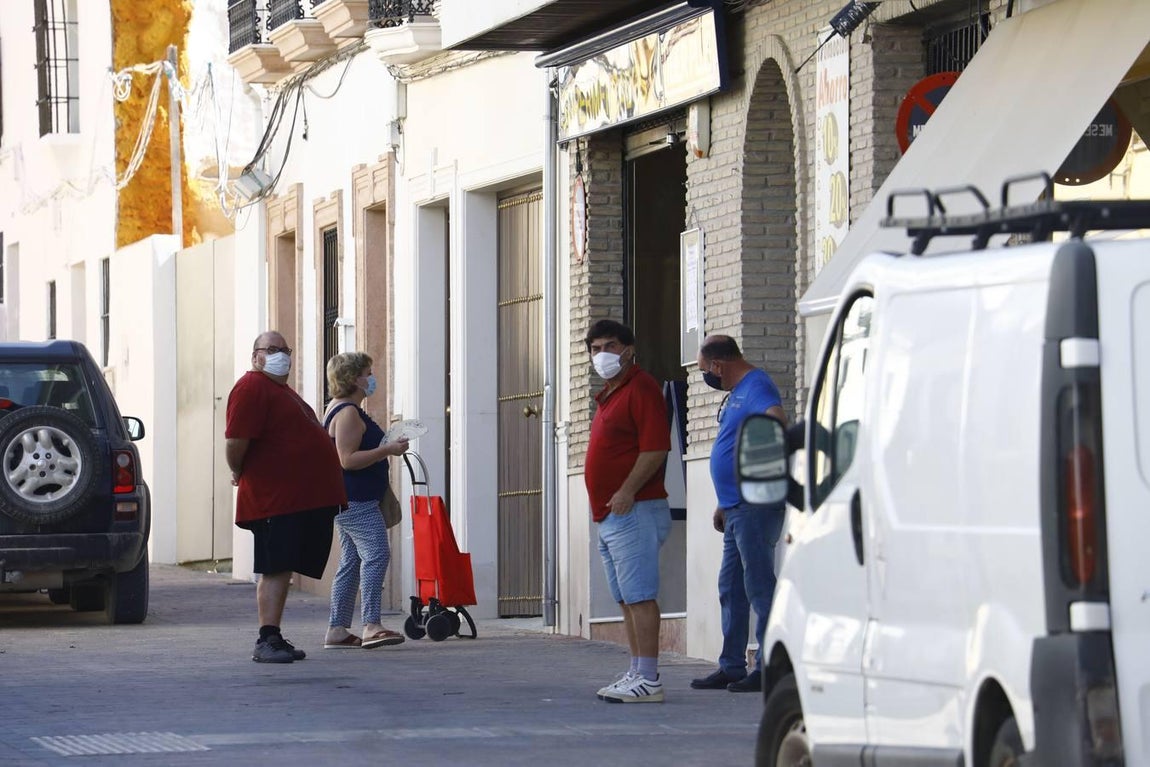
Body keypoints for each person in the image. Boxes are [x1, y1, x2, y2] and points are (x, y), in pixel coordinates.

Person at [225, 331, 347, 664]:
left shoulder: (281, 391)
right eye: (272, 349)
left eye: (285, 350)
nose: (281, 355)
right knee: (275, 567)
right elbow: (236, 441)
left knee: (284, 568)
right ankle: (266, 639)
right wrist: (238, 470)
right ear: (256, 356)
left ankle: (275, 635)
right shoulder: (251, 387)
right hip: (275, 499)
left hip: (297, 499)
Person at [690, 335, 787, 693]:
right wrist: (723, 500)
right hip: (734, 507)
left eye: (705, 370)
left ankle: (767, 665)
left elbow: (775, 421)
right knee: (731, 587)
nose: (706, 377)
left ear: (718, 365)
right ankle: (731, 665)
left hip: (754, 506)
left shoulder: (757, 385)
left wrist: (756, 479)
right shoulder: (738, 393)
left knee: (759, 585)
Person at [583, 319, 672, 704]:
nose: (603, 354)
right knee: (625, 597)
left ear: (629, 349)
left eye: (611, 346)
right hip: (610, 515)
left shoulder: (642, 388)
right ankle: (637, 669)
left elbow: (655, 448)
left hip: (633, 510)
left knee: (640, 595)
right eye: (595, 348)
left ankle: (649, 677)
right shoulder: (611, 393)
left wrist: (626, 490)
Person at [322, 352, 409, 650]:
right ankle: (371, 624)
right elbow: (347, 459)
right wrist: (388, 451)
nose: (372, 378)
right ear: (353, 379)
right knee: (376, 554)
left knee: (352, 561)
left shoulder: (342, 409)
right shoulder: (346, 413)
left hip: (349, 499)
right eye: (368, 373)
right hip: (355, 500)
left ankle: (337, 629)